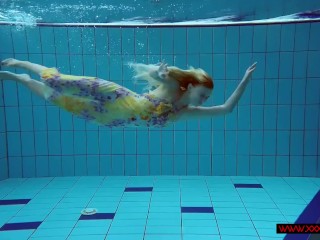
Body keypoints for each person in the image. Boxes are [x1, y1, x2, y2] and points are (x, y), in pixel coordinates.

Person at [0, 58, 256, 127]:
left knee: (53, 97)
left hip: (111, 118)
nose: (204, 101)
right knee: (57, 80)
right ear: (189, 87)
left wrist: (244, 80)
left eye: (206, 99)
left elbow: (226, 110)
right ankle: (23, 64)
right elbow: (155, 73)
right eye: (203, 95)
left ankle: (19, 78)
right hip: (116, 94)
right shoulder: (170, 86)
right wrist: (159, 74)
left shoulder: (184, 113)